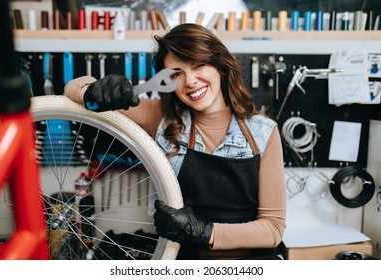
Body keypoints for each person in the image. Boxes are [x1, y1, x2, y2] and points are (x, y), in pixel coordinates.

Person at [65, 23, 286, 260]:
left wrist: (204, 232)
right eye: (176, 74)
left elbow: (272, 229)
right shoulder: (162, 118)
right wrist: (92, 92)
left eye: (199, 65)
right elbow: (71, 90)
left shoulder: (262, 133)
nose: (190, 81)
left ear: (220, 66)